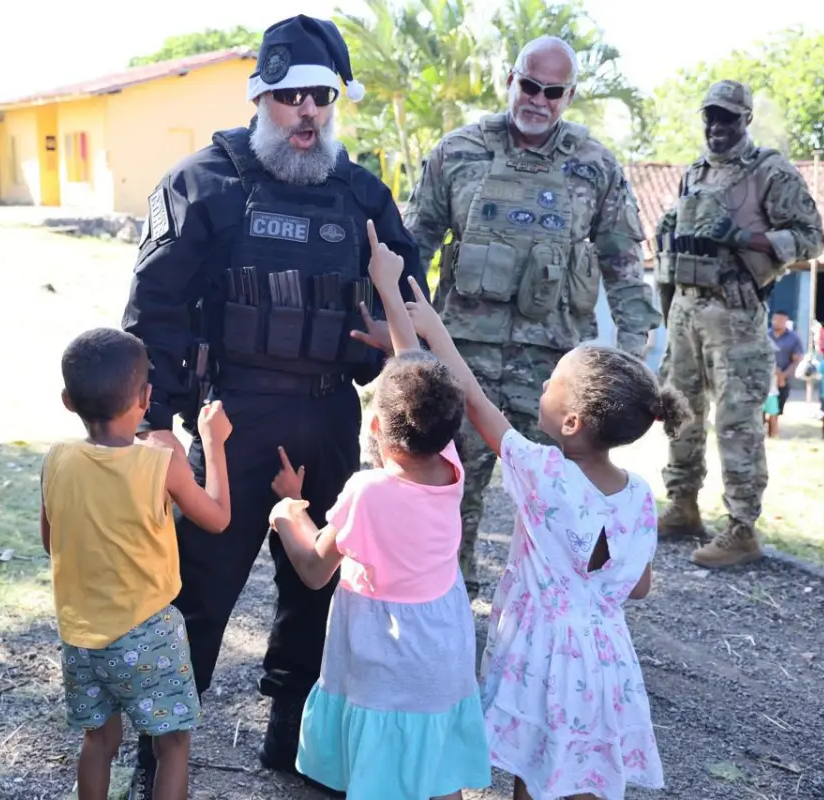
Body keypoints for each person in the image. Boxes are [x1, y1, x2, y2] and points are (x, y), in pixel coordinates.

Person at [120, 15, 427, 798]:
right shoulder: (204, 183)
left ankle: (294, 742)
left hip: (329, 417)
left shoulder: (363, 197)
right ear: (260, 98)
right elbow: (153, 309)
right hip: (232, 422)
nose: (306, 113)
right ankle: (158, 751)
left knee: (319, 591)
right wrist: (159, 420)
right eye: (289, 97)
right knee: (196, 591)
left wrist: (387, 357)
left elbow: (411, 302)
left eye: (320, 97)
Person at [402, 35, 661, 594]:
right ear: (511, 80)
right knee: (445, 497)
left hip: (555, 380)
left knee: (563, 515)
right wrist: (403, 341)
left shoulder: (596, 166)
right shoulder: (458, 151)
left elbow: (623, 261)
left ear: (569, 95)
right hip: (461, 361)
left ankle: (557, 638)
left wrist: (633, 352)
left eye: (553, 91)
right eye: (529, 84)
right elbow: (412, 248)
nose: (538, 99)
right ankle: (441, 625)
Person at [404, 279, 682, 800]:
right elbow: (638, 586)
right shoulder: (640, 494)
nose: (544, 387)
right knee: (587, 766)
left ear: (573, 422)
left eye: (553, 382)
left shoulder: (545, 473)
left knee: (537, 766)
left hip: (544, 653)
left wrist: (433, 329)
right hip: (607, 659)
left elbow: (476, 402)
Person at [266, 221, 492, 800]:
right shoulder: (451, 470)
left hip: (383, 661)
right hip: (441, 653)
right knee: (433, 765)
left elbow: (316, 568)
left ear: (374, 426)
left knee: (378, 772)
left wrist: (289, 510)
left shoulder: (366, 492)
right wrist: (389, 289)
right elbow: (415, 368)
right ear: (448, 427)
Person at [40, 328, 233, 800]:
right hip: (148, 634)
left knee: (99, 741)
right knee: (172, 744)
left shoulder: (57, 459)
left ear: (68, 400)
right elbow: (219, 518)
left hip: (81, 635)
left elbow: (51, 543)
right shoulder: (160, 462)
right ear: (146, 398)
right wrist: (215, 442)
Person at [653, 80, 824, 568]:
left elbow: (812, 238)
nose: (717, 127)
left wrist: (747, 236)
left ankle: (742, 528)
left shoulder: (770, 172)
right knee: (679, 411)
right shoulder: (694, 174)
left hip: (735, 314)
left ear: (745, 119)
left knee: (737, 421)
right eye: (710, 116)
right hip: (685, 308)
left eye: (727, 117)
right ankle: (682, 505)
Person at [767, 309, 803, 436]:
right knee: (760, 407)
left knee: (777, 407)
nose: (778, 322)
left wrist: (783, 376)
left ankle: (773, 432)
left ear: (786, 322)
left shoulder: (793, 338)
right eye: (775, 319)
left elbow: (796, 360)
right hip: (764, 378)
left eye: (781, 320)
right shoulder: (765, 335)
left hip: (784, 378)